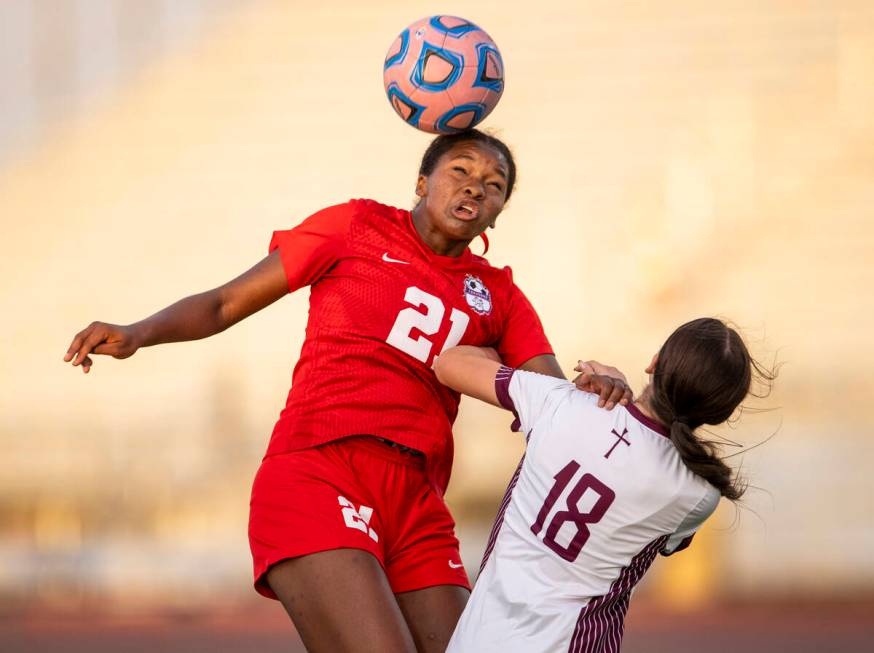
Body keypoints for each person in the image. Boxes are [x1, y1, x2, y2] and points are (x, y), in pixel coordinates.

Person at [63, 129, 632, 653]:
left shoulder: (500, 296)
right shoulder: (353, 226)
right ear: (421, 182)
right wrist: (139, 333)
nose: (474, 188)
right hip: (319, 470)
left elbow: (554, 405)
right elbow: (223, 303)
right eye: (459, 170)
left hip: (417, 502)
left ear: (500, 211)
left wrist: (600, 385)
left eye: (493, 185)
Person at [434, 317, 775, 653]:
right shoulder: (698, 493)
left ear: (654, 362)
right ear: (720, 413)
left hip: (479, 640)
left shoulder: (560, 401)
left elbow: (448, 363)